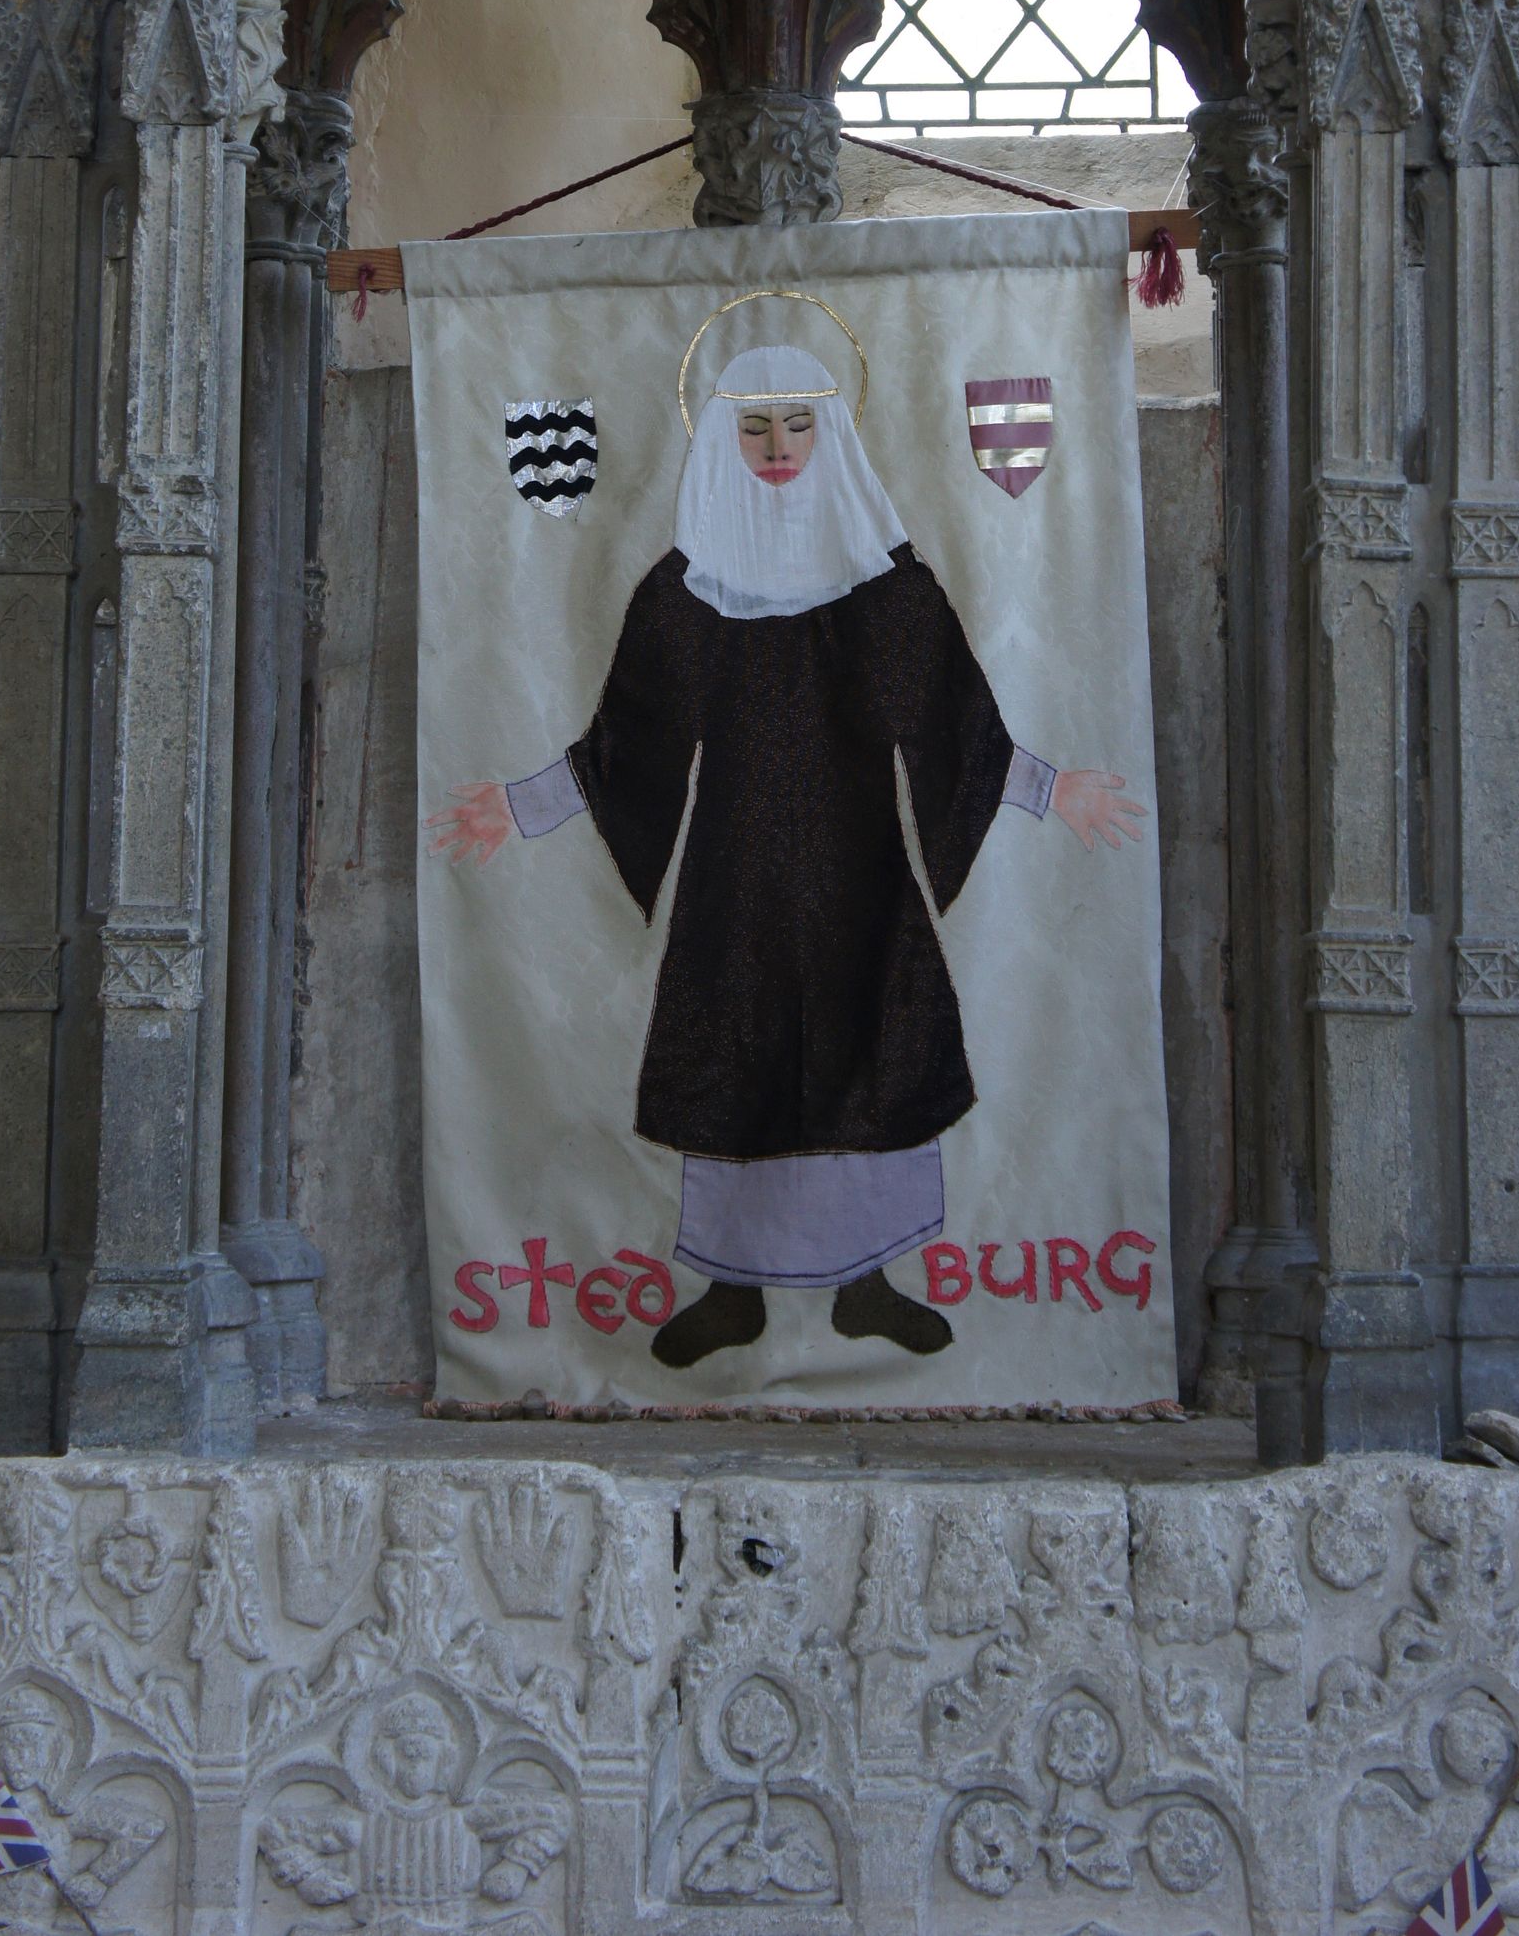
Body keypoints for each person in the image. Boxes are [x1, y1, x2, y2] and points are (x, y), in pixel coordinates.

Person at [429, 340, 1145, 1370]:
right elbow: (621, 746)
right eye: (753, 425)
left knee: (874, 1048)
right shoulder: (684, 598)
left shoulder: (886, 591)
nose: (777, 446)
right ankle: (731, 1289)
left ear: (831, 431)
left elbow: (958, 730)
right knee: (734, 1055)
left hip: (859, 873)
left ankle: (866, 1283)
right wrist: (518, 805)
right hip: (737, 879)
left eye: (798, 422)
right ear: (720, 436)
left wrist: (1050, 786)